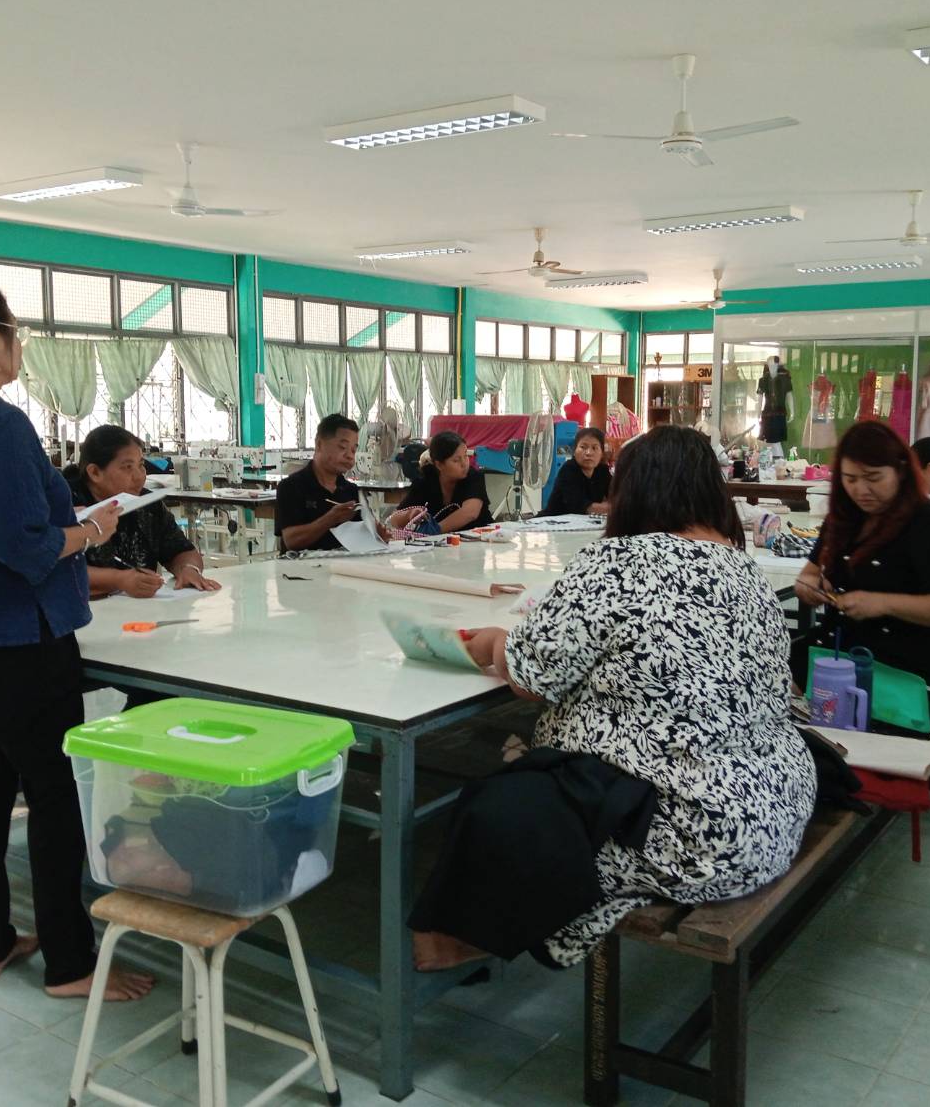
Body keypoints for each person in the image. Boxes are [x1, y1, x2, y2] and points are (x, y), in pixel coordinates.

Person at [410, 426, 816, 970]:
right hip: (774, 806)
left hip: (697, 838)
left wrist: (493, 642)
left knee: (502, 806)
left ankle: (453, 940)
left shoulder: (617, 563)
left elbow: (532, 677)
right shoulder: (747, 571)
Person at [0, 280, 152, 1003]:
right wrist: (89, 531)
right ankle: (71, 965)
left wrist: (57, 528)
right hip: (12, 638)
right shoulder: (0, 424)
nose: (18, 349)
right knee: (53, 791)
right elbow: (23, 546)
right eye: (16, 335)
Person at [794, 422, 930, 699]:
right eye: (850, 479)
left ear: (901, 471)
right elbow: (808, 575)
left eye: (873, 478)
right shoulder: (842, 520)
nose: (861, 490)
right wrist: (810, 587)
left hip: (907, 663)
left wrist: (883, 603)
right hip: (836, 647)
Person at [64, 425, 221, 597]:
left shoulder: (146, 504)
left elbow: (181, 550)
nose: (139, 476)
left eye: (141, 465)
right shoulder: (65, 505)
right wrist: (119, 580)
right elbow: (54, 565)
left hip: (138, 608)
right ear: (95, 473)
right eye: (127, 467)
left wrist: (189, 569)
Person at [275, 414, 388, 552]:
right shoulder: (291, 487)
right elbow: (291, 542)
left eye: (353, 450)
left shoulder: (350, 490)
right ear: (319, 444)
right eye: (342, 447)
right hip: (303, 564)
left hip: (343, 563)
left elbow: (361, 537)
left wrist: (377, 536)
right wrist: (330, 519)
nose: (349, 456)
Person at [387, 431, 494, 532]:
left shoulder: (474, 476)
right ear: (439, 465)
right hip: (442, 543)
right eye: (456, 460)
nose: (464, 464)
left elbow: (470, 512)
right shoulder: (426, 480)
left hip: (480, 539)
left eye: (465, 455)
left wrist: (436, 530)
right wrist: (410, 515)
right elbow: (394, 519)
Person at [539, 426, 611, 516]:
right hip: (553, 520)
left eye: (594, 448)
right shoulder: (568, 469)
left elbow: (617, 494)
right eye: (583, 447)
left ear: (602, 453)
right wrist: (610, 508)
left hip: (585, 522)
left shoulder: (603, 470)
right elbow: (579, 506)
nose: (589, 453)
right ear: (574, 451)